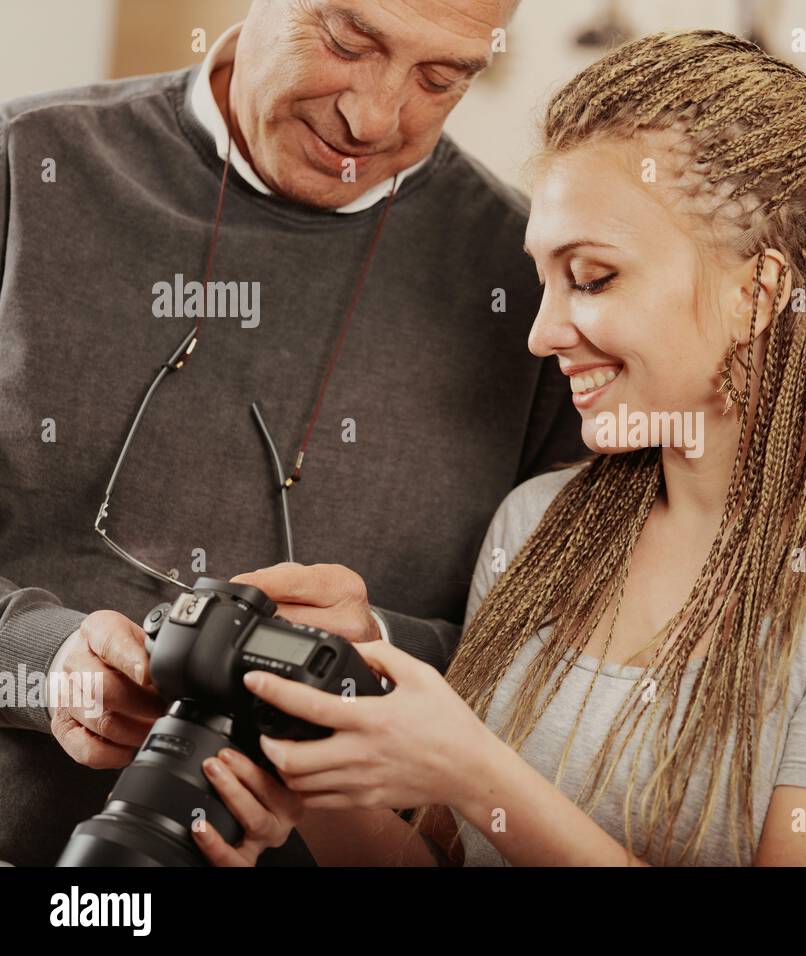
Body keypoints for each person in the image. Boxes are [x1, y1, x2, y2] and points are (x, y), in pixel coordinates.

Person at [197, 28, 806, 867]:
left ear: (759, 294)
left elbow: (483, 793)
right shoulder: (535, 523)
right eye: (544, 278)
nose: (542, 335)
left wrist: (474, 770)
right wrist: (321, 774)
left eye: (594, 278)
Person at [0, 0, 586, 866]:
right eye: (349, 39)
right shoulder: (25, 165)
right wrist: (39, 661)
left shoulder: (540, 291)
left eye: (440, 78)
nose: (373, 117)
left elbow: (563, 662)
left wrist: (369, 657)